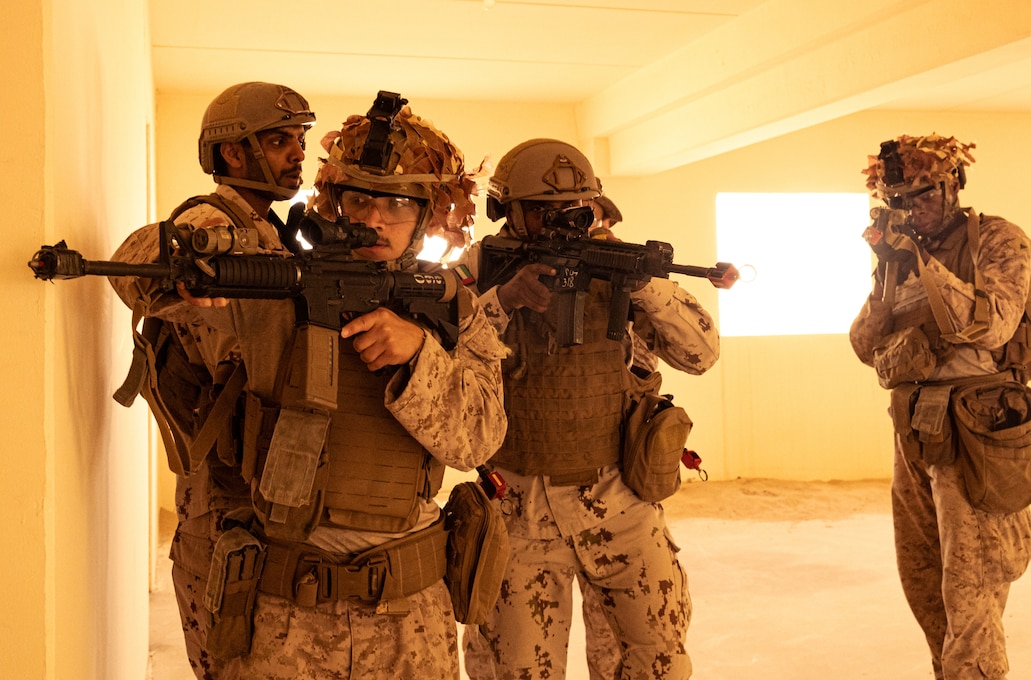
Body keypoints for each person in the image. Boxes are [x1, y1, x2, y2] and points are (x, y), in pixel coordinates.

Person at [113, 94, 508, 678]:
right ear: (332, 202)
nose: (373, 219)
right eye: (358, 199)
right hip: (283, 604)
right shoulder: (277, 285)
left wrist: (418, 356)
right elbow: (138, 263)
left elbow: (480, 441)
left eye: (397, 203)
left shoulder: (450, 308)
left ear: (428, 212)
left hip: (411, 607)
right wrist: (195, 257)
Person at [456, 138, 720, 679]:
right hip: (517, 507)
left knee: (656, 663)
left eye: (573, 209)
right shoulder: (481, 268)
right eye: (542, 211)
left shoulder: (617, 265)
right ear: (508, 212)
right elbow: (441, 366)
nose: (560, 222)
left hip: (620, 498)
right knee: (519, 672)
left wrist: (644, 286)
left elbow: (701, 354)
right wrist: (504, 300)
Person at [109, 80, 315, 679]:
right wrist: (181, 278)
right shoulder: (211, 221)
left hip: (265, 480)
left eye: (299, 140)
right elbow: (137, 260)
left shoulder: (271, 229)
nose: (296, 153)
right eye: (279, 141)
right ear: (232, 153)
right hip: (221, 499)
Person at [850, 133, 1031, 679]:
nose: (909, 211)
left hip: (978, 428)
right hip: (917, 430)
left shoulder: (998, 240)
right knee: (923, 580)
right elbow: (862, 344)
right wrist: (887, 270)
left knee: (973, 587)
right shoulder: (897, 258)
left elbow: (993, 326)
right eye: (896, 201)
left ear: (952, 186)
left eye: (921, 196)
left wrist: (922, 262)